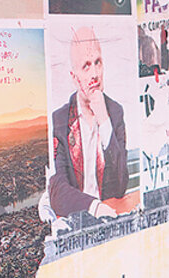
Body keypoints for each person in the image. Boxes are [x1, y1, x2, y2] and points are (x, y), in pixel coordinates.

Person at [49, 26, 129, 219]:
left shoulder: (115, 112)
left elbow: (120, 186)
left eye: (98, 63)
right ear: (74, 78)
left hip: (111, 215)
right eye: (86, 66)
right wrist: (93, 207)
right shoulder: (60, 120)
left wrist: (104, 120)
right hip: (81, 216)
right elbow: (58, 189)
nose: (94, 73)